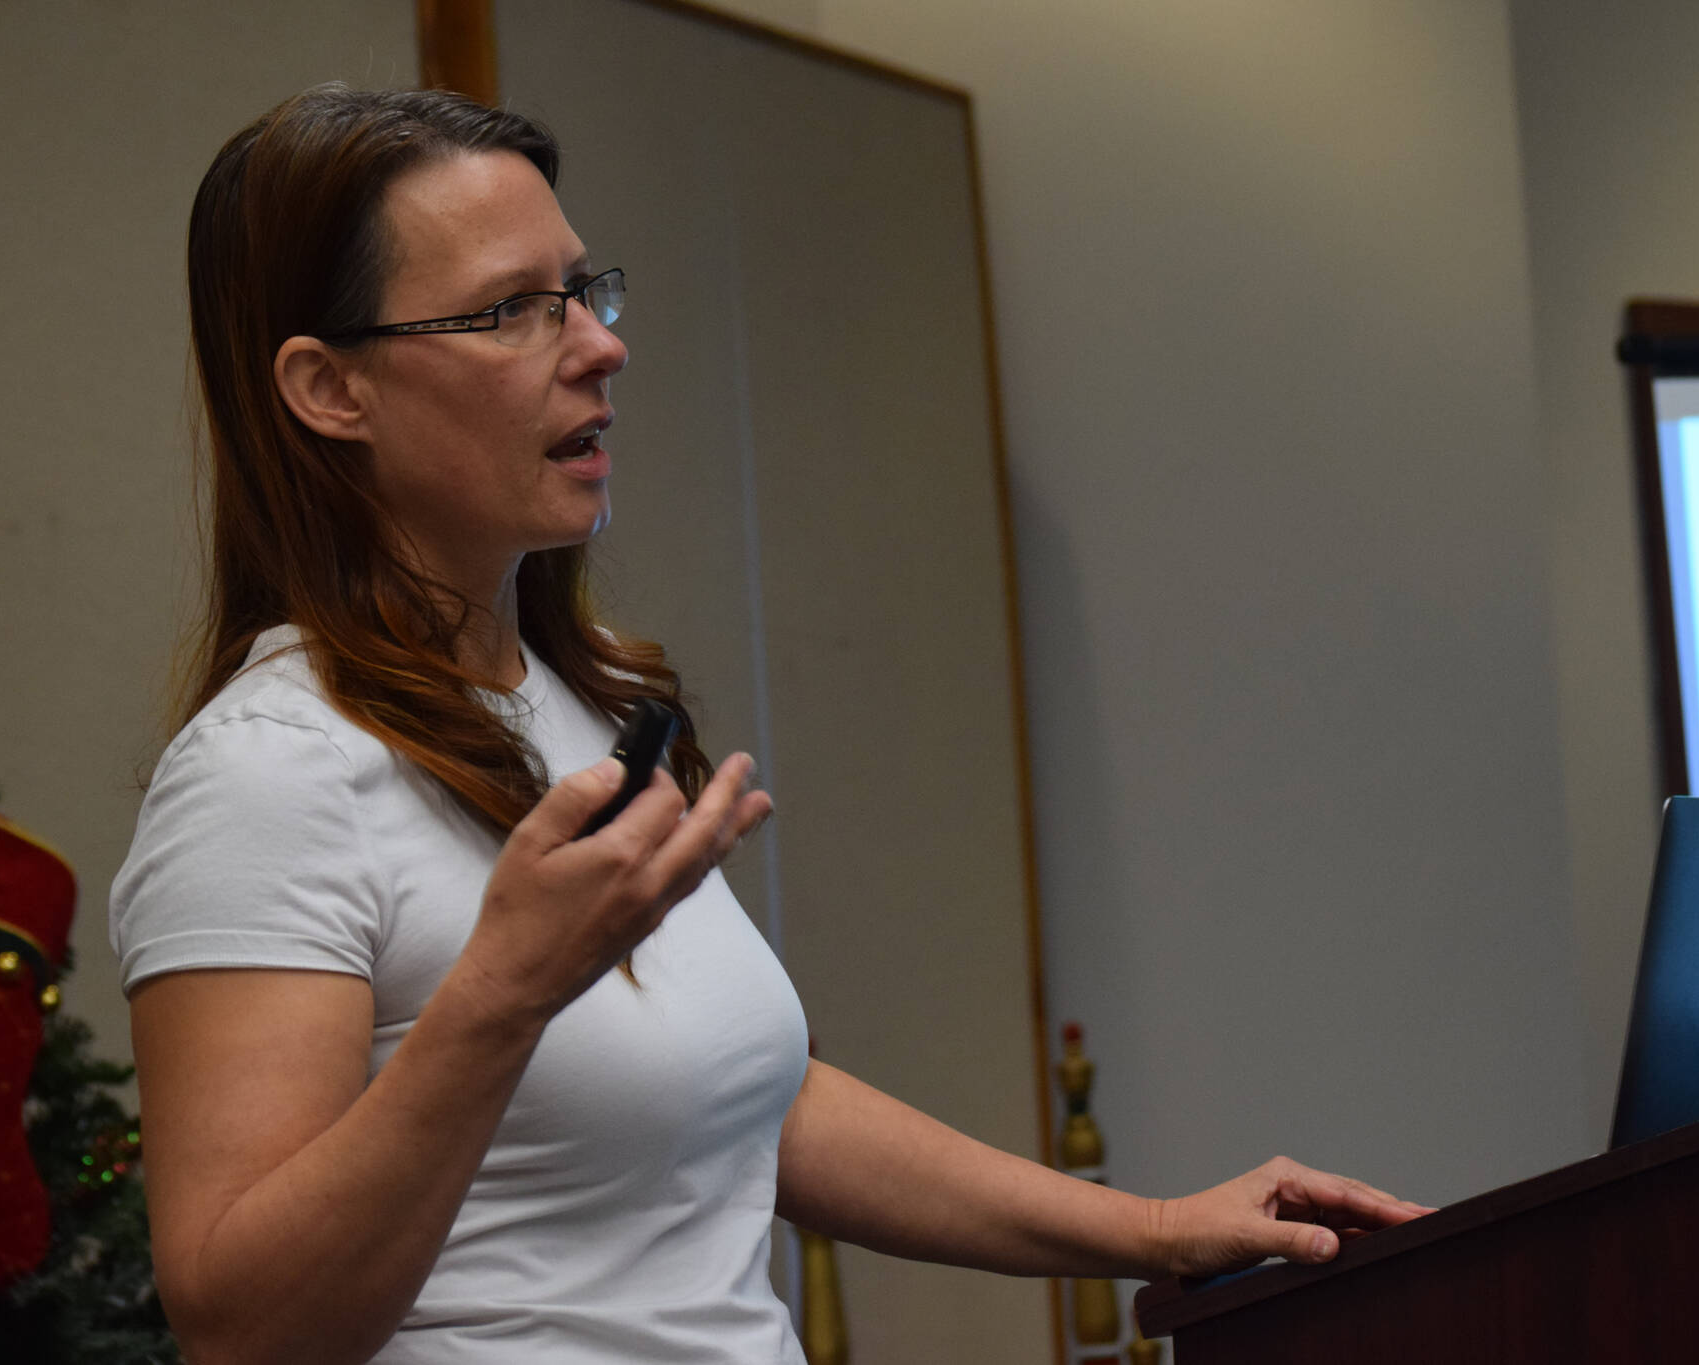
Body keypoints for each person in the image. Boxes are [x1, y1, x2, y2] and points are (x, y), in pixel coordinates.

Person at [111, 83, 1428, 1365]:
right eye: (514, 309)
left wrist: (1149, 1226)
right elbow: (243, 1326)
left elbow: (748, 1097)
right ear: (328, 388)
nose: (598, 342)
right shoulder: (269, 773)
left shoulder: (576, 710)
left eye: (583, 290)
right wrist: (501, 995)